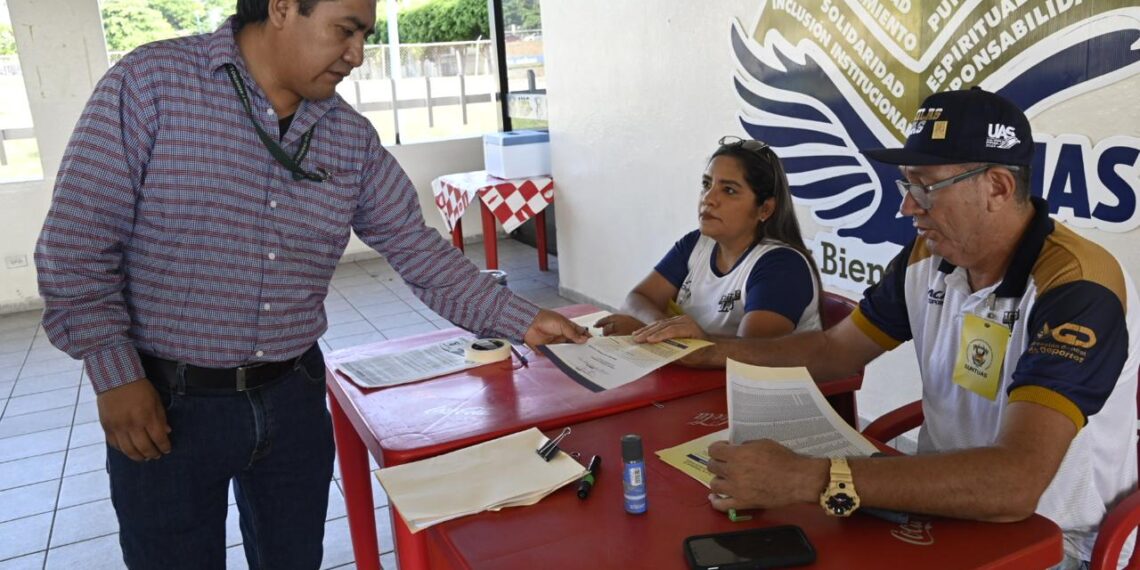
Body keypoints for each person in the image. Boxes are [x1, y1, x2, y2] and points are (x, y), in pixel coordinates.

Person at [33, 0, 588, 568]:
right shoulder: (152, 85)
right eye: (345, 31)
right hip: (165, 402)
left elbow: (415, 247)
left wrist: (523, 319)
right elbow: (75, 243)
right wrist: (115, 375)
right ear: (281, 7)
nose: (357, 55)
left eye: (364, 35)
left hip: (291, 396)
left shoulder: (348, 137)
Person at [634, 88, 1138, 567]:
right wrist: (711, 350)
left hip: (1053, 539)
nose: (907, 206)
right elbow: (834, 351)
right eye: (906, 185)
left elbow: (1015, 483)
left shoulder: (1077, 287)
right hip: (941, 505)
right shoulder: (929, 256)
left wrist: (809, 479)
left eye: (925, 187)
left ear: (997, 188)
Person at [594, 137, 821, 339]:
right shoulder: (696, 244)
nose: (708, 198)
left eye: (729, 190)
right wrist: (660, 328)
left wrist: (669, 335)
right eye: (706, 184)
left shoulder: (782, 265)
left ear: (765, 209)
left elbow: (748, 355)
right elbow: (637, 298)